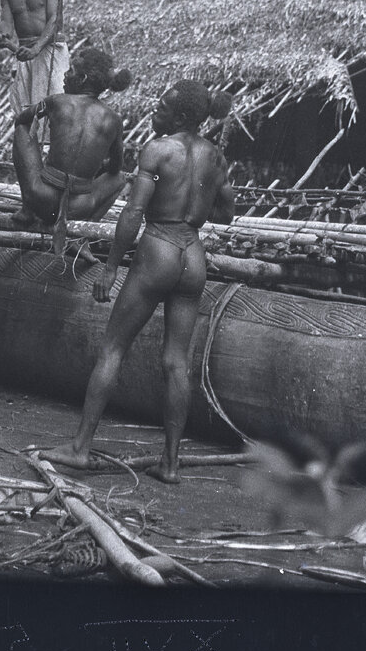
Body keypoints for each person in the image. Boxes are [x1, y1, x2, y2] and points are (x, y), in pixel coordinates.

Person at [45, 80, 237, 484]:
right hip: (193, 258)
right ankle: (169, 463)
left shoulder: (158, 150)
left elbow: (133, 213)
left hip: (159, 249)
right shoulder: (216, 158)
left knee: (113, 347)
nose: (155, 111)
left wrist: (113, 267)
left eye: (163, 107)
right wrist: (195, 208)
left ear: (180, 116)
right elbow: (227, 213)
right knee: (176, 362)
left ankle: (80, 448)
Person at [11, 46, 132, 247]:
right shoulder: (114, 120)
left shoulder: (56, 102)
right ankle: (83, 233)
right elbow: (115, 169)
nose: (65, 75)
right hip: (79, 209)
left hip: (40, 199)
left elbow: (21, 120)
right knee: (119, 178)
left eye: (71, 71)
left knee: (21, 131)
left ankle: (27, 210)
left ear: (83, 79)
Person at [0, 0, 69, 115]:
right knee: (27, 110)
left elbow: (55, 20)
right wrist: (3, 36)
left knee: (55, 106)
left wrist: (36, 49)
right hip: (24, 54)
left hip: (50, 50)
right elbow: (6, 23)